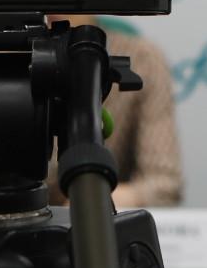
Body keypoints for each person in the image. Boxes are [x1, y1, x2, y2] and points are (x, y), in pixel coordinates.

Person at [44, 15, 182, 208]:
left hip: (94, 213)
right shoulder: (4, 54)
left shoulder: (142, 59)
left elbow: (164, 184)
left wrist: (92, 201)